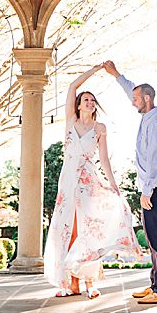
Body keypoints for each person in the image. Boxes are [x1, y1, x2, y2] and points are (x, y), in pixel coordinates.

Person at [43, 64, 141, 299]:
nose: (89, 103)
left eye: (92, 100)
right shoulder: (70, 121)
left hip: (88, 181)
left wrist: (114, 184)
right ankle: (70, 282)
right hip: (67, 182)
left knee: (89, 229)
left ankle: (90, 282)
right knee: (68, 229)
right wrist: (95, 69)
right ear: (78, 104)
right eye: (86, 99)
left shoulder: (100, 128)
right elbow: (72, 86)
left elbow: (104, 159)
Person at [103, 60, 157, 304]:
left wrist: (147, 191)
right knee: (153, 238)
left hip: (156, 189)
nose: (132, 102)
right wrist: (117, 75)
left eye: (136, 99)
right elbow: (133, 89)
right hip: (152, 188)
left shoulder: (156, 123)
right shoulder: (149, 114)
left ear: (146, 98)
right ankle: (156, 284)